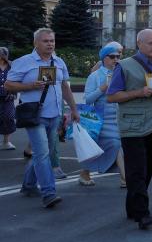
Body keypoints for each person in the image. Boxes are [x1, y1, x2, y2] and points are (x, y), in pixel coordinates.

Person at [107, 29, 152, 229]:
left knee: (145, 170)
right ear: (139, 43)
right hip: (132, 125)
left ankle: (133, 208)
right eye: (150, 43)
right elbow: (112, 96)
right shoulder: (125, 66)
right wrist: (140, 92)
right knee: (136, 170)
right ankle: (142, 214)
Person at [6, 29, 80, 208]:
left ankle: (29, 185)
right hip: (35, 116)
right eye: (46, 41)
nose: (50, 44)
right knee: (42, 153)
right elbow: (8, 85)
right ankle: (49, 193)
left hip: (54, 115)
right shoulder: (24, 62)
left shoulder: (59, 62)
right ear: (36, 43)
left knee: (42, 152)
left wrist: (73, 109)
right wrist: (30, 85)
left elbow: (65, 88)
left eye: (52, 41)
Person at [79, 42, 127, 187]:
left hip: (118, 117)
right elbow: (87, 99)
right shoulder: (95, 76)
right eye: (112, 56)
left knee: (106, 146)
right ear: (103, 58)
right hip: (101, 118)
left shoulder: (121, 73)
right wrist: (103, 88)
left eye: (118, 56)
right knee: (115, 144)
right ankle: (125, 179)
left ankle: (84, 172)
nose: (116, 59)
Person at [0, 47, 16, 150]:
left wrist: (14, 92)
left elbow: (17, 79)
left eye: (4, 54)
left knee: (9, 118)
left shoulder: (12, 66)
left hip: (8, 97)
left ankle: (6, 142)